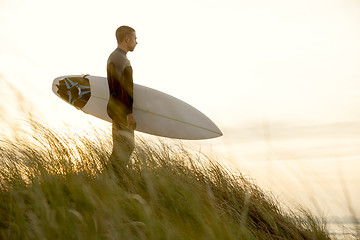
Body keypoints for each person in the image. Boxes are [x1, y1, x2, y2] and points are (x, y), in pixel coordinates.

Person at [107, 26, 138, 170]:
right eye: (134, 38)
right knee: (126, 147)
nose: (136, 42)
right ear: (127, 39)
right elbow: (123, 89)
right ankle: (110, 179)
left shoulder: (118, 57)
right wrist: (129, 114)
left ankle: (113, 181)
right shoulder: (119, 59)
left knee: (123, 148)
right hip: (121, 111)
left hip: (117, 110)